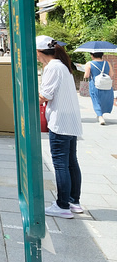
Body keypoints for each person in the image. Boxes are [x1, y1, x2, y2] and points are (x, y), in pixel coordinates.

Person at [36, 35, 83, 218]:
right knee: (71, 162)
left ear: (39, 52)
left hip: (60, 121)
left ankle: (62, 205)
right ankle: (73, 201)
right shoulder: (62, 66)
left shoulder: (53, 67)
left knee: (60, 164)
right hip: (70, 120)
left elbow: (45, 95)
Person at [83, 52, 114, 125]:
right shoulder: (107, 63)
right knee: (103, 100)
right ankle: (100, 114)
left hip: (95, 85)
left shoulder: (89, 63)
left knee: (96, 100)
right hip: (106, 85)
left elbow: (86, 75)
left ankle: (100, 117)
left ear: (92, 55)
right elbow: (111, 74)